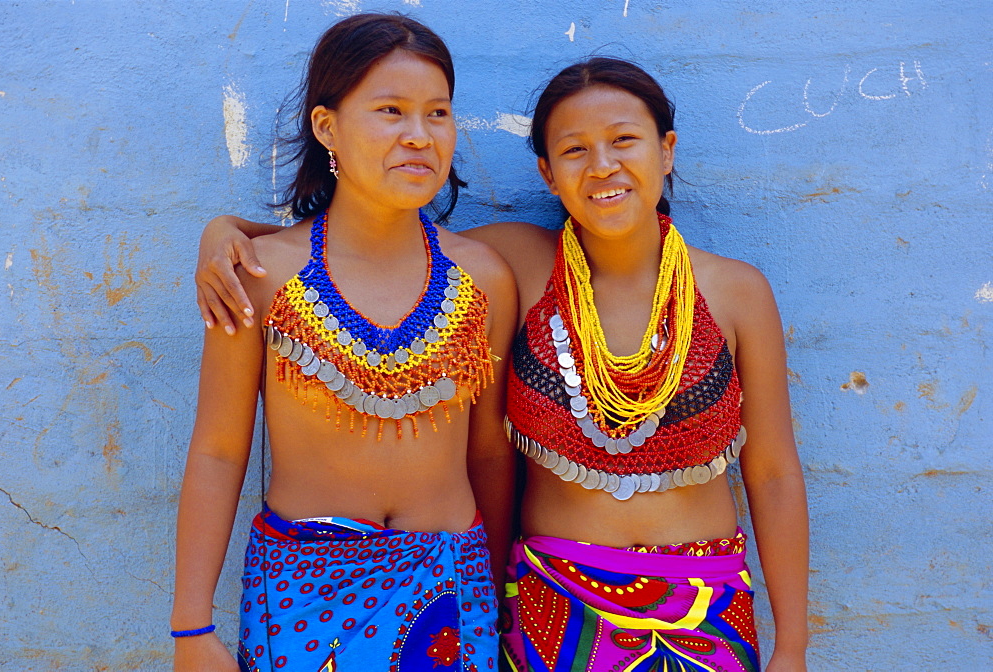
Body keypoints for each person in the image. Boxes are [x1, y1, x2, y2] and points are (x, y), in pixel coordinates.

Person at [197, 57, 809, 671]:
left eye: (624, 140)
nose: (603, 166)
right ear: (546, 173)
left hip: (707, 604)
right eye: (574, 150)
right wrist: (230, 234)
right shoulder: (515, 263)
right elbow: (376, 236)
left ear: (666, 149)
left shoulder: (736, 294)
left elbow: (775, 474)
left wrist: (792, 645)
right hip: (554, 603)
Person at [172, 14, 516, 672]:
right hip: (301, 594)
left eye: (438, 113)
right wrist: (191, 627)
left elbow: (490, 455)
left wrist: (493, 602)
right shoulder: (261, 276)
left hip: (453, 592)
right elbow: (218, 452)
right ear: (327, 127)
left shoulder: (486, 279)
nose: (419, 136)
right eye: (391, 111)